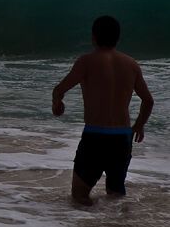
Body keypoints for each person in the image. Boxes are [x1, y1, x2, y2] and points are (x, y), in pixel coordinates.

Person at [52, 15, 154, 205]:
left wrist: (57, 104)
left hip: (95, 137)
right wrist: (139, 125)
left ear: (93, 37)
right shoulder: (131, 64)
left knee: (80, 196)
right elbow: (148, 101)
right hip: (122, 138)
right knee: (115, 196)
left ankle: (89, 219)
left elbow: (59, 90)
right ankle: (116, 219)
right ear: (118, 38)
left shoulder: (86, 61)